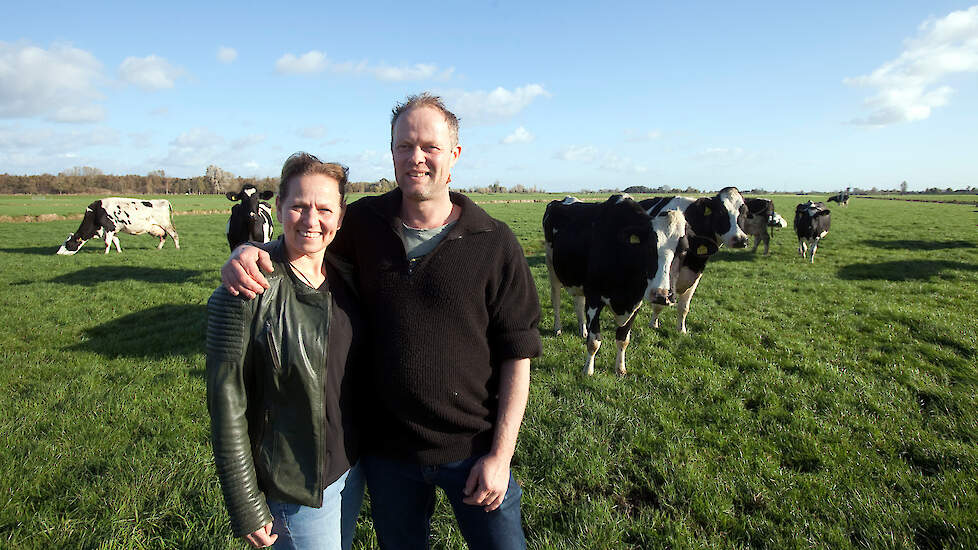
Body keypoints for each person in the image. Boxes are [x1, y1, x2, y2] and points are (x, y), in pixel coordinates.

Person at [222, 93, 542, 549]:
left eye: (429, 147)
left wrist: (500, 455)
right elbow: (309, 238)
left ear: (454, 154)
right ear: (392, 152)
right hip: (389, 454)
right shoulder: (364, 224)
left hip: (472, 451)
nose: (416, 158)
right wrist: (250, 254)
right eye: (404, 146)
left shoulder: (494, 242)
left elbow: (518, 353)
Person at [207, 153, 364, 550]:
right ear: (277, 208)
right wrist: (244, 502)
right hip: (295, 487)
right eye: (299, 206)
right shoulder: (246, 290)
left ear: (340, 217)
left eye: (325, 209)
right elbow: (226, 403)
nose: (312, 220)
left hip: (351, 470)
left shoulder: (348, 277)